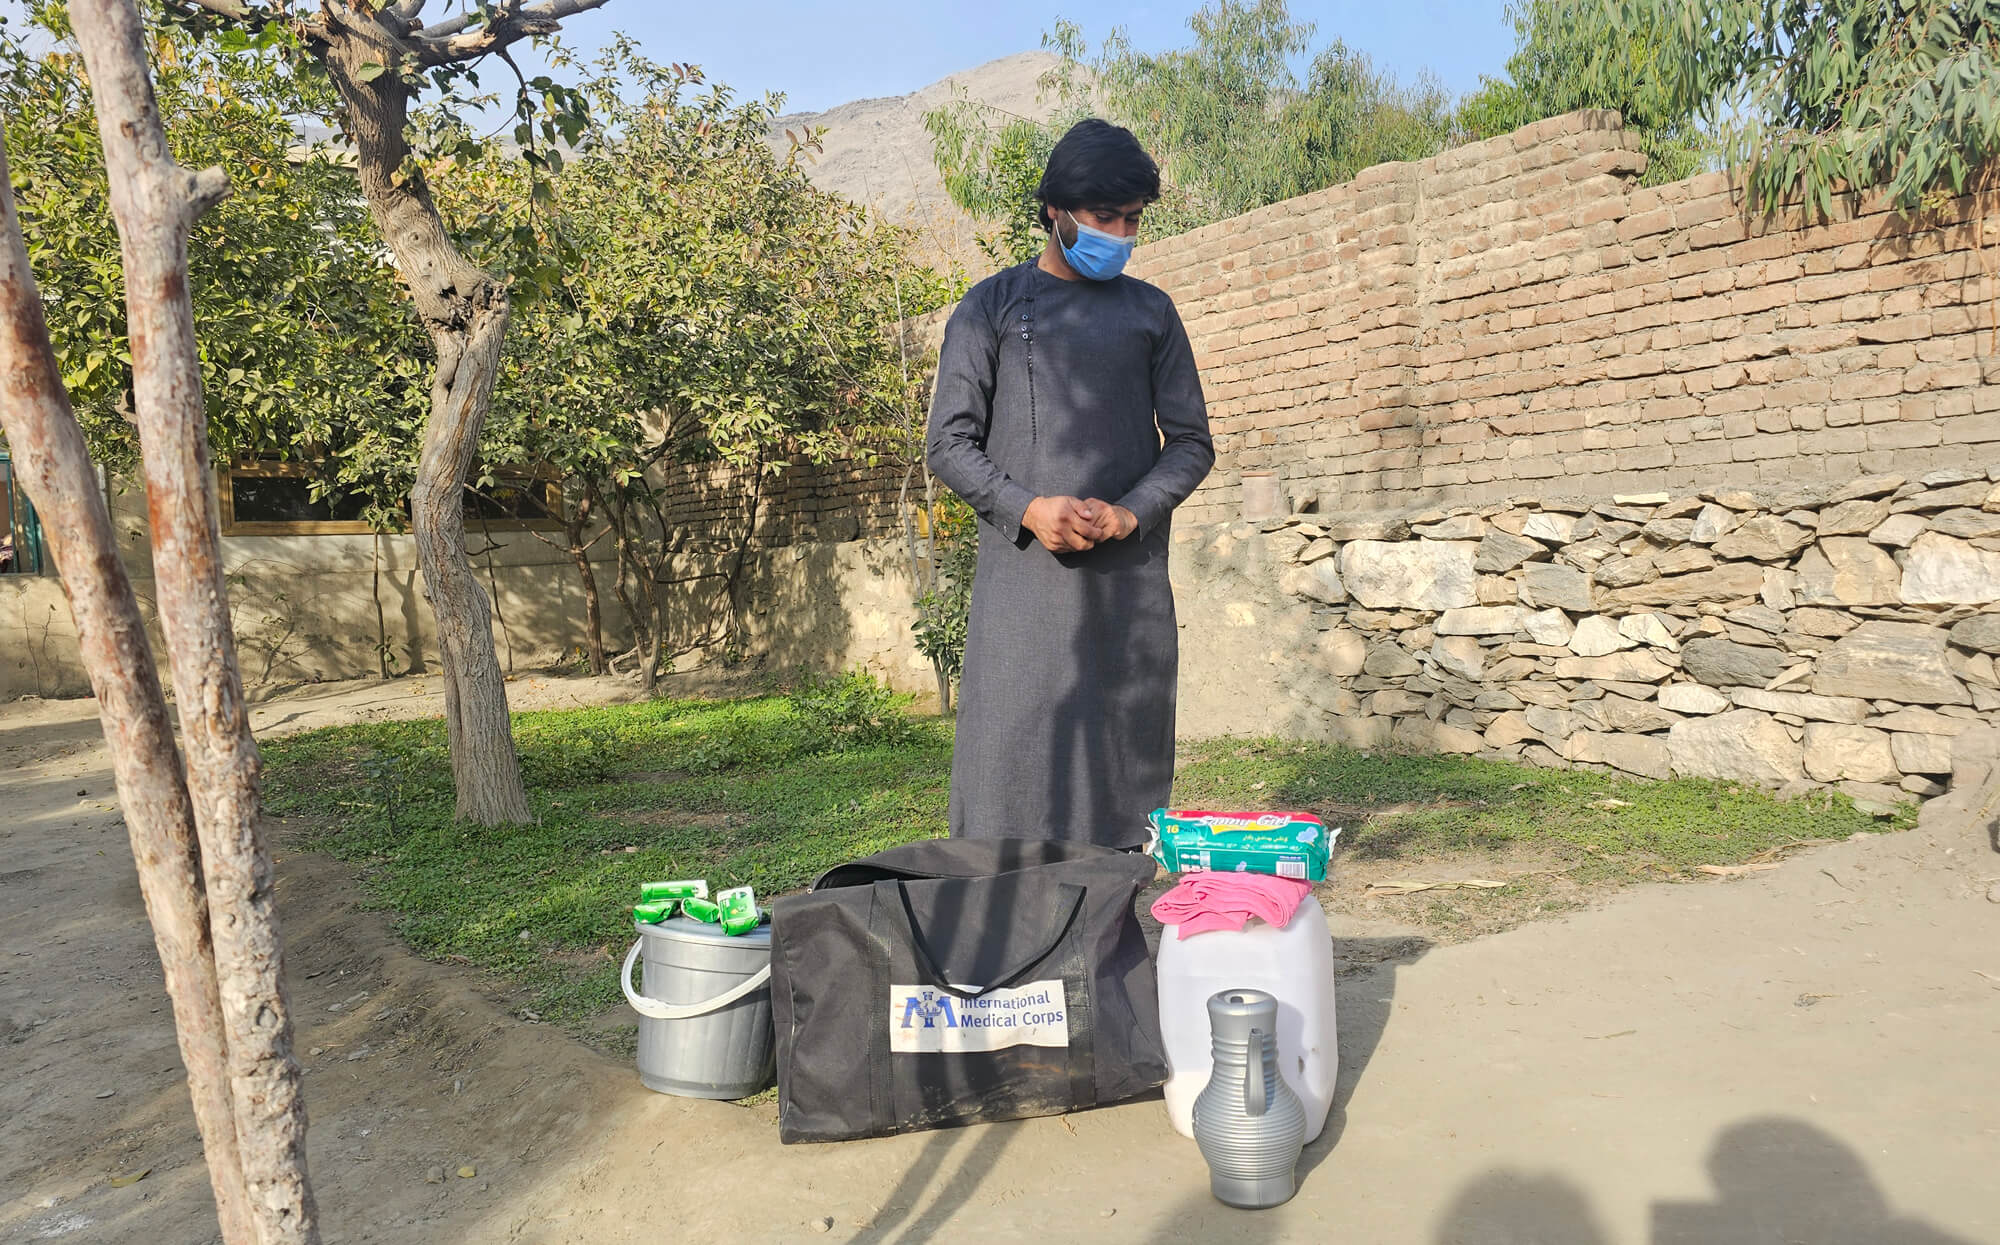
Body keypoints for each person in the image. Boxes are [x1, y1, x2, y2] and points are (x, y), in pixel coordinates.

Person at [926, 118, 1214, 847]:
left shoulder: (1152, 313)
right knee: (1009, 773)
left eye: (1132, 220)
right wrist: (1028, 507)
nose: (1119, 233)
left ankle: (1105, 949)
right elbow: (948, 443)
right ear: (1055, 209)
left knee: (1123, 777)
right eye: (1104, 217)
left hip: (1128, 594)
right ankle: (1007, 944)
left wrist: (1130, 513)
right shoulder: (988, 308)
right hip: (1024, 592)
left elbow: (1190, 443)